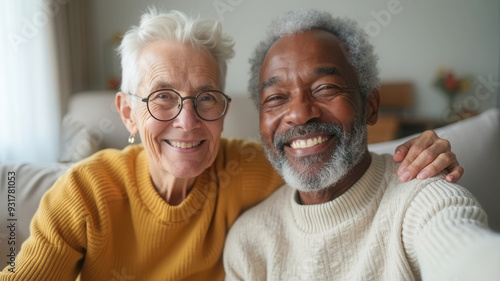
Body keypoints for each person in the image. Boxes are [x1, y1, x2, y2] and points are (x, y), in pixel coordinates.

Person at [1, 8, 465, 281]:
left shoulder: (251, 171)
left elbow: (334, 159)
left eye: (205, 98)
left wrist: (417, 155)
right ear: (127, 112)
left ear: (223, 109)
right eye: (163, 98)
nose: (187, 121)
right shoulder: (84, 192)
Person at [223, 8, 500, 281]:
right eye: (276, 98)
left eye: (325, 88)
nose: (299, 113)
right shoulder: (249, 242)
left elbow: (464, 251)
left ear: (370, 105)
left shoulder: (422, 198)